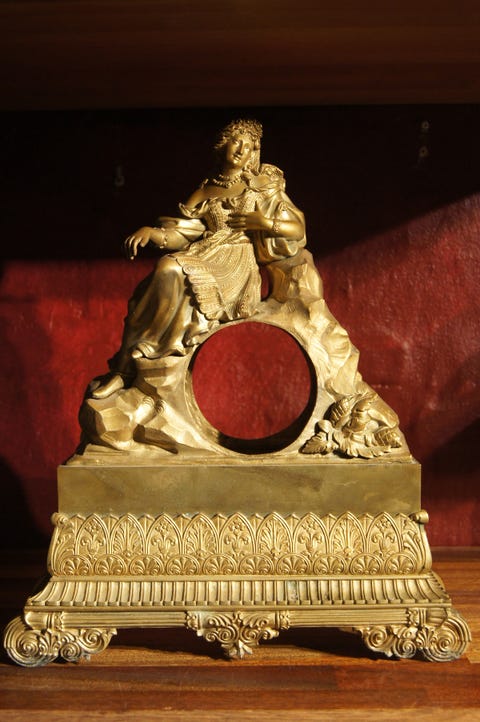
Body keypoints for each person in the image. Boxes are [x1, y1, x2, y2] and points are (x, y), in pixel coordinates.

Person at [92, 119, 308, 399]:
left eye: (248, 146)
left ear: (254, 153)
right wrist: (152, 233)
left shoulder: (261, 185)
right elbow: (183, 233)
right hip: (204, 252)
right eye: (236, 141)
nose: (241, 150)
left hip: (235, 262)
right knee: (155, 285)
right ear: (223, 144)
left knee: (170, 269)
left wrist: (265, 223)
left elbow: (298, 228)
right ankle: (127, 367)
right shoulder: (205, 190)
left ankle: (139, 359)